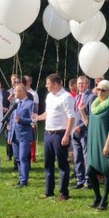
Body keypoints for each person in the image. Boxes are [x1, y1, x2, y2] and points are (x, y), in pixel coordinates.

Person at [78, 80, 109, 210]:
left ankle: (105, 201)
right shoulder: (95, 105)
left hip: (105, 143)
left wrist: (107, 145)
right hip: (93, 143)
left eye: (103, 90)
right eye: (98, 89)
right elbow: (89, 124)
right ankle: (97, 197)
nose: (100, 92)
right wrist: (82, 112)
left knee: (107, 172)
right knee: (90, 172)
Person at [34, 73, 75, 201]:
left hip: (60, 133)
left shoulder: (66, 97)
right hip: (48, 133)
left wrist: (67, 135)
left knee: (62, 164)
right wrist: (38, 117)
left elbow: (71, 117)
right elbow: (49, 112)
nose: (46, 86)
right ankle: (49, 191)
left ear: (55, 84)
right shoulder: (49, 96)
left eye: (48, 83)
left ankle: (64, 192)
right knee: (48, 163)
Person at [71, 75, 95, 189]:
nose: (80, 85)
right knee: (77, 156)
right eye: (79, 83)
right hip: (74, 132)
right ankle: (79, 179)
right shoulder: (77, 97)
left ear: (87, 84)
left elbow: (91, 116)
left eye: (82, 83)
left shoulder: (92, 97)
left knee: (86, 157)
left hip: (84, 131)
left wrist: (81, 127)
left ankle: (88, 180)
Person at [8, 84, 34, 188]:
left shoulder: (30, 104)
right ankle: (20, 177)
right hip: (14, 135)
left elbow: (33, 120)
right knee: (17, 158)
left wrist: (21, 120)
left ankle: (24, 180)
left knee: (23, 157)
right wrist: (10, 136)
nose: (14, 93)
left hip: (24, 135)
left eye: (16, 91)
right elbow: (11, 121)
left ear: (22, 92)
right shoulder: (15, 104)